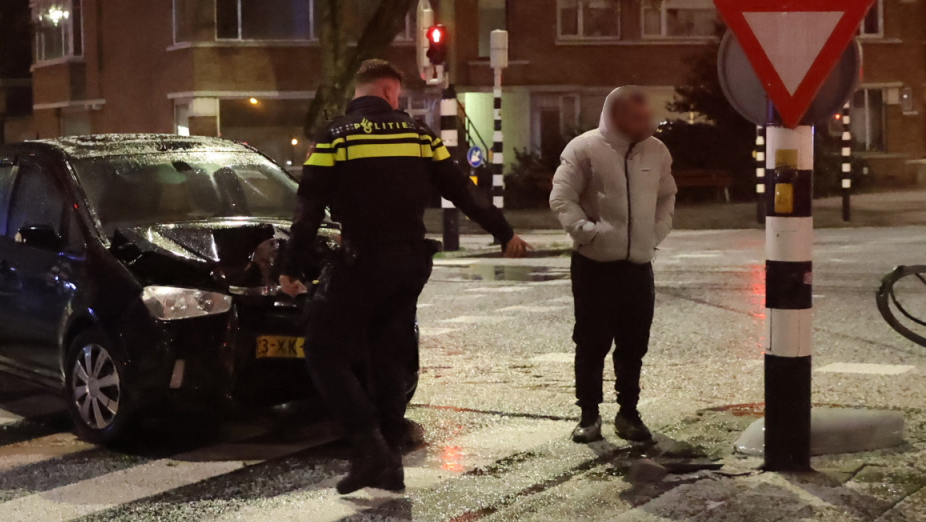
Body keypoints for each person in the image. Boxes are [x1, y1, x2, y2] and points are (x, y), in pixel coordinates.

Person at [277, 58, 531, 494]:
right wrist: (503, 231)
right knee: (388, 355)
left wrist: (291, 266)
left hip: (363, 261)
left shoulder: (336, 136)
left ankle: (369, 444)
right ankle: (389, 461)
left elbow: (309, 207)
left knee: (322, 347)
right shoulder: (419, 135)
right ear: (391, 92)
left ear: (361, 90)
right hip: (411, 264)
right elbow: (461, 189)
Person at [549, 86, 676, 446]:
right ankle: (589, 415)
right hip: (594, 266)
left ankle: (629, 413)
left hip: (638, 265)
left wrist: (656, 233)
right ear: (616, 114)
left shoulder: (656, 151)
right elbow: (562, 196)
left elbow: (667, 194)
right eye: (636, 116)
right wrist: (587, 233)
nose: (644, 122)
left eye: (646, 115)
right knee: (591, 342)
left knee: (634, 342)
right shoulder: (584, 148)